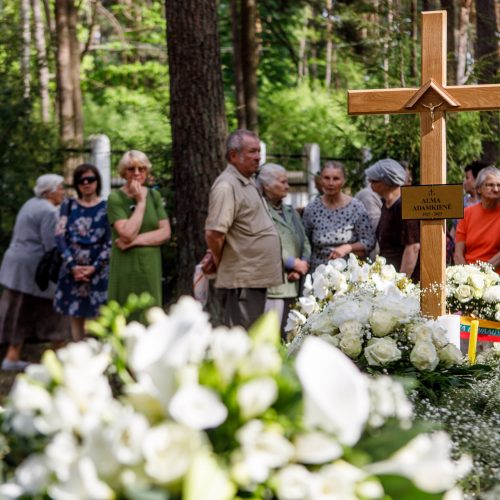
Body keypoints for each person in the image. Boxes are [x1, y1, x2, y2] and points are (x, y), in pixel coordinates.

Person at [203, 129, 282, 329]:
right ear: (234, 155)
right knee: (243, 336)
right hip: (243, 279)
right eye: (252, 152)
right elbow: (214, 233)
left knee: (253, 334)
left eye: (259, 151)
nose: (258, 157)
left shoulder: (246, 182)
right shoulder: (226, 186)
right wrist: (221, 260)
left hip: (252, 277)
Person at [0, 174, 69, 371]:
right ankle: (61, 359)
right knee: (56, 312)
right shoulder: (49, 212)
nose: (63, 192)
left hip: (17, 268)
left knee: (19, 312)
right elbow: (52, 246)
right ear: (49, 192)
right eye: (61, 188)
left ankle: (12, 357)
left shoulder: (30, 204)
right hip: (33, 270)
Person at [107, 150, 171, 314]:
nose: (137, 173)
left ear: (146, 171)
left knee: (150, 314)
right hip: (125, 267)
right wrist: (141, 202)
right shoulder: (115, 198)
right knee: (125, 313)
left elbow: (165, 233)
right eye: (131, 169)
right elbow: (126, 234)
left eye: (141, 169)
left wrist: (134, 241)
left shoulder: (155, 195)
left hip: (150, 267)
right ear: (123, 173)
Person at [53, 164, 111, 340]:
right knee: (75, 314)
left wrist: (95, 267)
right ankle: (78, 352)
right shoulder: (68, 205)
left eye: (90, 179)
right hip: (72, 268)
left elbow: (110, 241)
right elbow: (59, 236)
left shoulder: (107, 207)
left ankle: (102, 356)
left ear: (97, 182)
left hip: (98, 269)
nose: (86, 183)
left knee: (101, 314)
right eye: (81, 180)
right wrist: (72, 265)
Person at [256, 163, 311, 336]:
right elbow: (260, 245)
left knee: (290, 336)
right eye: (282, 182)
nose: (287, 186)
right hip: (273, 286)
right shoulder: (259, 211)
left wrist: (302, 265)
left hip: (295, 283)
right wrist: (291, 263)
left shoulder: (290, 210)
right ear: (266, 185)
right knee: (271, 336)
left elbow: (305, 241)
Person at [302, 161, 375, 271]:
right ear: (321, 180)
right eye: (326, 178)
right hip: (319, 272)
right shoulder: (312, 208)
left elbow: (369, 242)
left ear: (343, 181)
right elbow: (305, 242)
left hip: (350, 272)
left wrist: (347, 248)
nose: (330, 183)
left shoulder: (356, 207)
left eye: (336, 179)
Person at [366, 158, 421, 282]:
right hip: (390, 275)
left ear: (387, 181)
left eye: (374, 180)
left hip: (405, 280)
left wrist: (401, 283)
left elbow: (412, 247)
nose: (370, 184)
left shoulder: (405, 205)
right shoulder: (387, 204)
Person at [454, 166, 500, 273]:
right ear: (479, 188)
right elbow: (458, 254)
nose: (496, 189)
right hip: (468, 274)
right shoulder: (467, 213)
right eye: (490, 185)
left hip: (495, 277)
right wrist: (467, 276)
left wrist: (482, 273)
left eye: (499, 185)